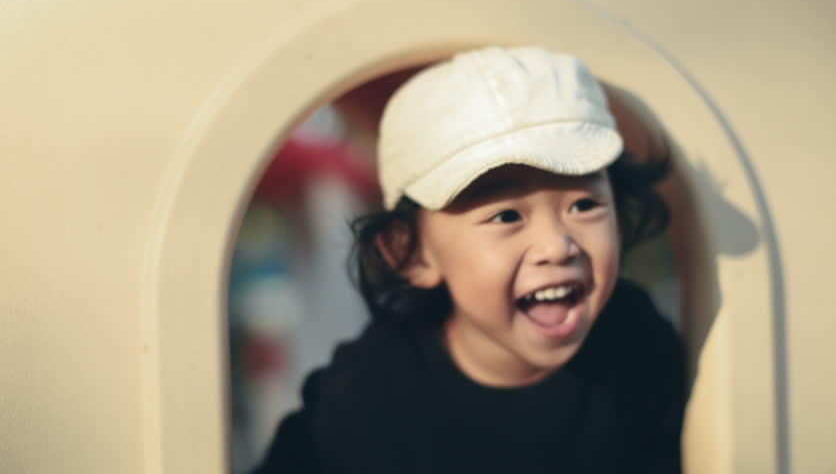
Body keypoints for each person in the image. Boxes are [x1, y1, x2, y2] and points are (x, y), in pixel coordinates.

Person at [254, 46, 687, 473]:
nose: (558, 246)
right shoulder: (363, 394)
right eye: (506, 216)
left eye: (584, 205)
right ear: (412, 254)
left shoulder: (637, 343)